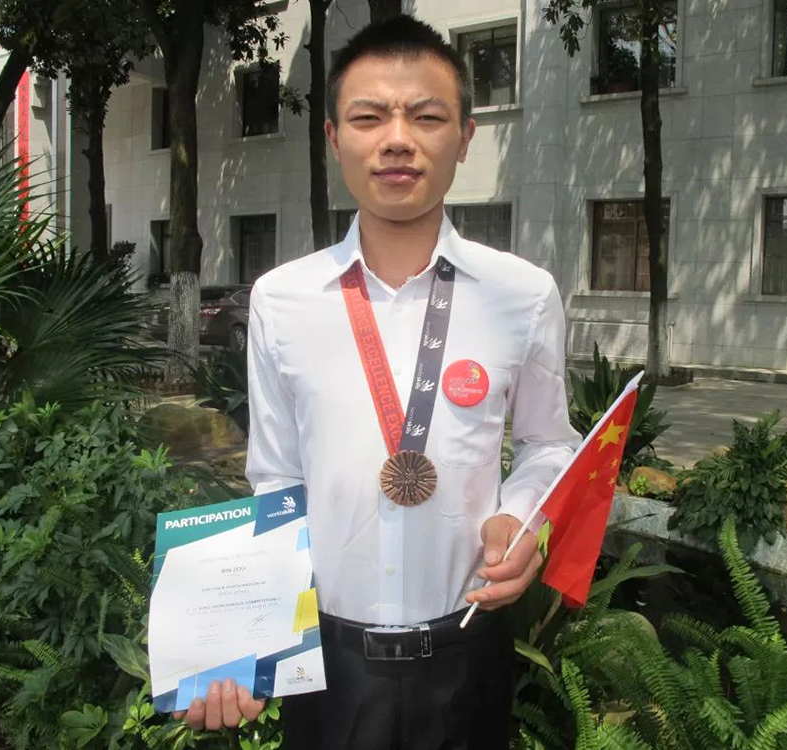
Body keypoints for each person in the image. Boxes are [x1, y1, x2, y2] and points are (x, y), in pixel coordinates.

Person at [175, 14, 581, 749]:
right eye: (369, 118)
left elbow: (550, 442)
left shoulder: (522, 295)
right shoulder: (282, 299)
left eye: (427, 116)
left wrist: (525, 515)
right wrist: (238, 642)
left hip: (469, 653)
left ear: (465, 137)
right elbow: (276, 478)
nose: (397, 139)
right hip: (327, 666)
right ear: (335, 140)